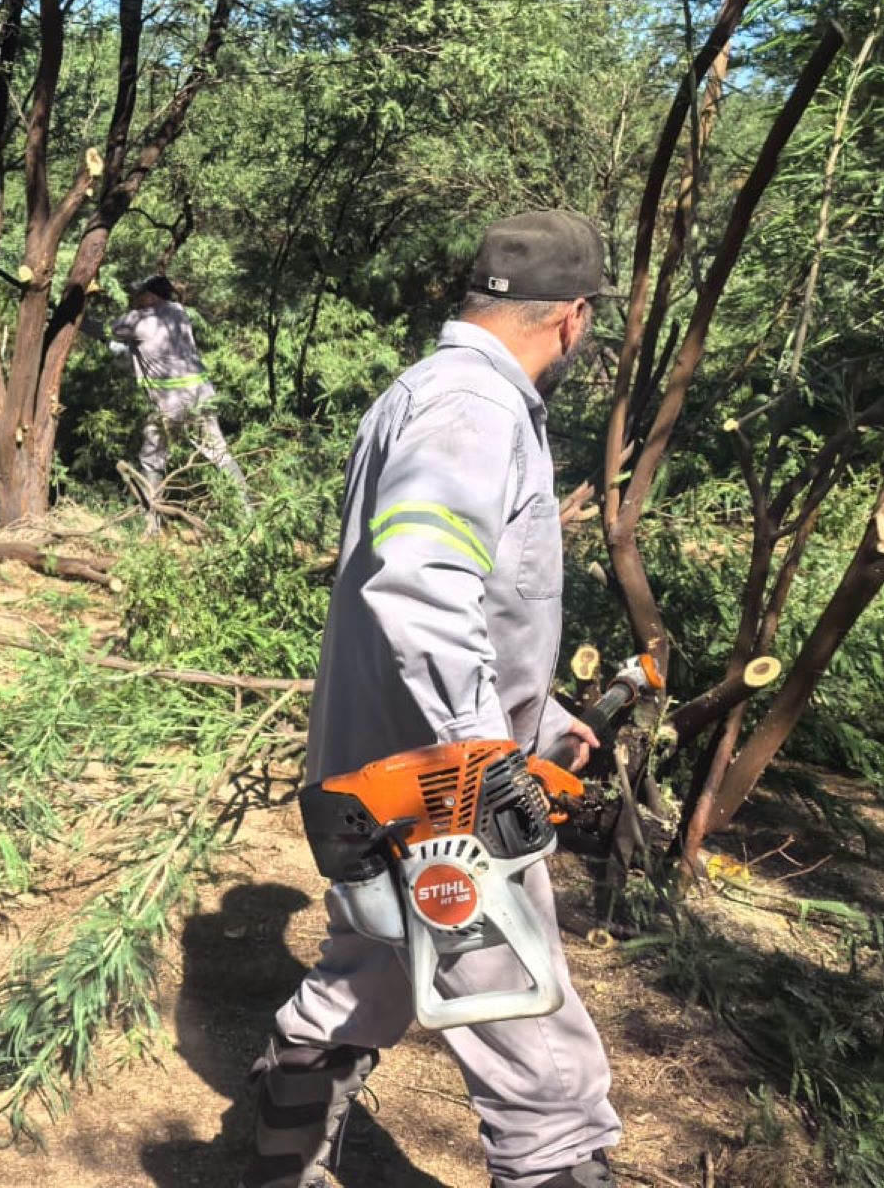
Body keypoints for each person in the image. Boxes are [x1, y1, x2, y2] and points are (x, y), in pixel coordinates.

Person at [245, 211, 620, 1188]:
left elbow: (468, 599)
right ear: (573, 319)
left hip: (387, 774)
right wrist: (487, 758)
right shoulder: (475, 409)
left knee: (371, 967)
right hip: (442, 794)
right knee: (538, 1053)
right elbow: (419, 582)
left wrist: (538, 725)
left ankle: (281, 1158)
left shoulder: (424, 392)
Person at [106, 275, 251, 522]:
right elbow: (142, 350)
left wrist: (120, 332)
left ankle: (150, 523)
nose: (136, 298)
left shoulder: (141, 321)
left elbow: (114, 328)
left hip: (169, 402)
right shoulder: (179, 313)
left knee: (152, 459)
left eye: (140, 294)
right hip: (201, 395)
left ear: (151, 296)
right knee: (219, 453)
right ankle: (249, 515)